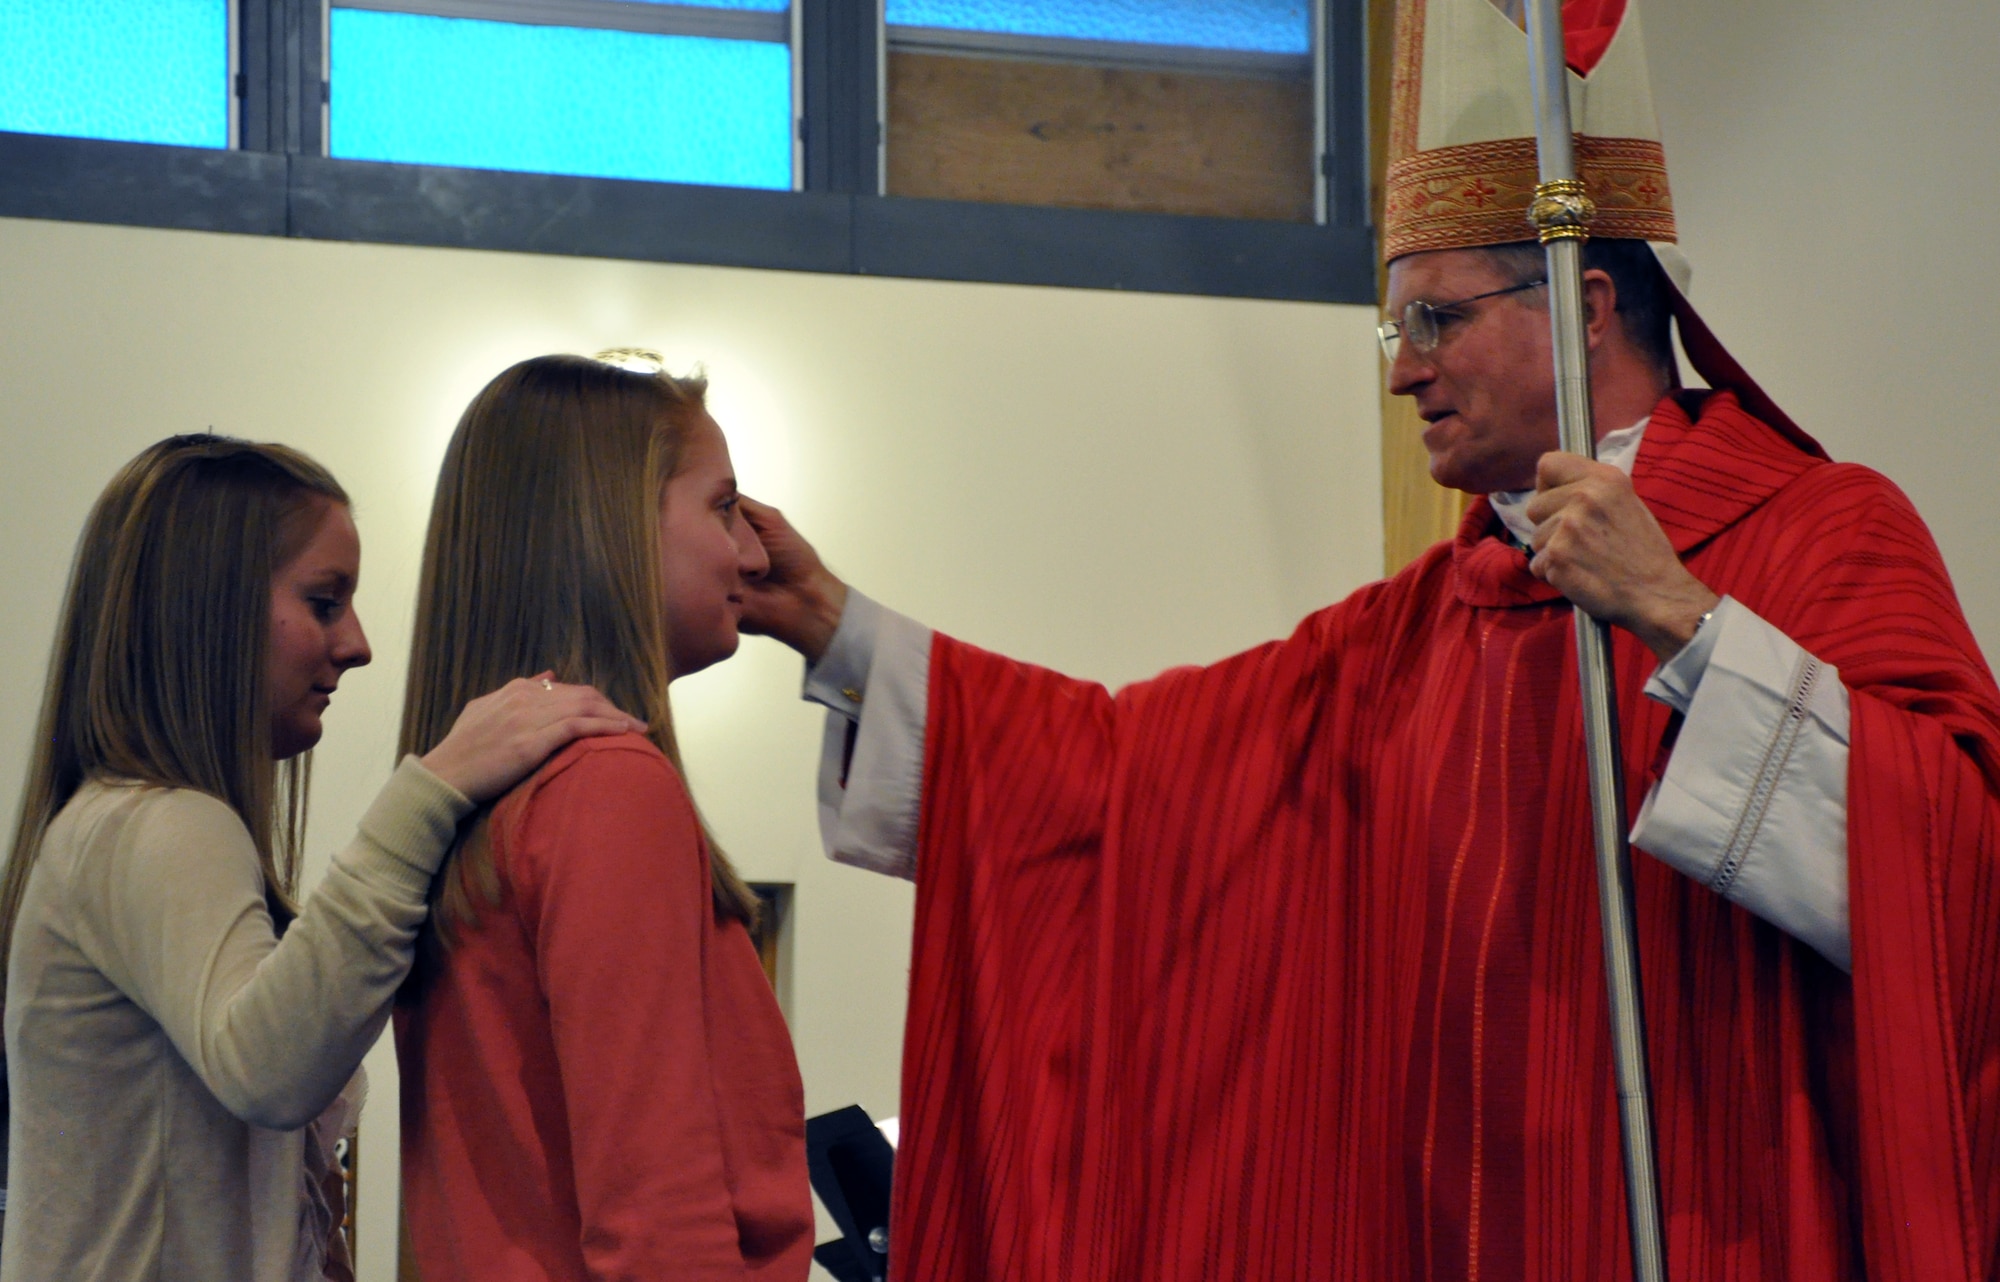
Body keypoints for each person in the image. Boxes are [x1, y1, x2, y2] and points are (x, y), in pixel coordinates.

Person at [736, 0, 2000, 1276]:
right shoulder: (1404, 635)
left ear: (1586, 301)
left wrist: (1681, 620)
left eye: (1434, 321)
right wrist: (833, 629)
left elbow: (1952, 871)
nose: (1401, 372)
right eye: (1392, 330)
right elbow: (1117, 779)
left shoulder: (1815, 535)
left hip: (1729, 1223)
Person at [0, 434, 641, 1282]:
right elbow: (272, 1065)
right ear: (211, 609)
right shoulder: (154, 823)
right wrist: (431, 789)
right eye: (324, 602)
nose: (359, 644)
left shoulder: (122, 827)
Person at [393, 353, 814, 1280]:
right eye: (721, 506)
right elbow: (659, 1216)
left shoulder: (486, 800)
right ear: (613, 522)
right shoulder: (609, 788)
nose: (751, 551)